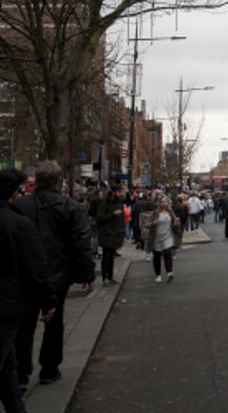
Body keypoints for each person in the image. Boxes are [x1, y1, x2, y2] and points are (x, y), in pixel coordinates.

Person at [14, 161, 94, 388]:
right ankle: (49, 368)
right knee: (55, 322)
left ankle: (21, 373)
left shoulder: (21, 205)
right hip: (58, 272)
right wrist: (87, 273)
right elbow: (81, 241)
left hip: (26, 274)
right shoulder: (69, 207)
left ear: (36, 180)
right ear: (59, 182)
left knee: (24, 325)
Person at [1, 169, 57, 412]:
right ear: (15, 193)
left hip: (9, 301)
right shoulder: (19, 224)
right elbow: (35, 266)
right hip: (8, 303)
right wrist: (47, 301)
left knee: (8, 364)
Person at [93, 186, 125, 287]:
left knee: (111, 255)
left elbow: (121, 217)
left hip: (115, 232)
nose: (121, 194)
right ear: (113, 192)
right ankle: (105, 277)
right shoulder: (104, 203)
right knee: (106, 255)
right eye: (119, 192)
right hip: (106, 232)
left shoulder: (119, 202)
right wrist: (112, 214)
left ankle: (110, 276)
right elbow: (99, 218)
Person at [145, 196, 179, 284]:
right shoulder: (155, 213)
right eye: (162, 202)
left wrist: (176, 224)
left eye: (166, 202)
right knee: (157, 256)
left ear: (168, 203)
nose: (164, 204)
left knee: (168, 253)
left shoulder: (170, 212)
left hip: (168, 236)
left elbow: (175, 222)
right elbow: (146, 224)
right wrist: (153, 223)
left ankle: (169, 273)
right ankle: (158, 275)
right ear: (159, 203)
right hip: (156, 237)